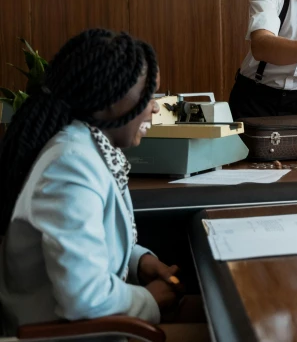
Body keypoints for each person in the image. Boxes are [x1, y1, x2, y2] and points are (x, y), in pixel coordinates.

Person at [0, 29, 184, 333]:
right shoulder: (69, 164)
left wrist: (140, 262)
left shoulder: (88, 148)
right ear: (111, 99)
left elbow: (87, 245)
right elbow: (84, 299)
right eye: (149, 95)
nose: (154, 107)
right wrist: (150, 299)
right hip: (64, 335)